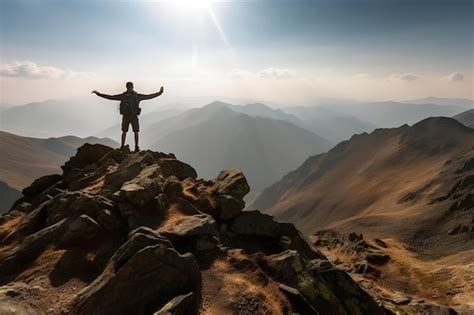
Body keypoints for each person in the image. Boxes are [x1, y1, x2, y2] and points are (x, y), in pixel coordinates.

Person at [92, 82, 164, 152]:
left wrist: (98, 94)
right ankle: (136, 147)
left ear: (126, 87)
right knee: (136, 132)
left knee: (124, 132)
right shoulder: (137, 96)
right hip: (134, 116)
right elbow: (149, 96)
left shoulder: (123, 96)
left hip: (125, 116)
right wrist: (159, 93)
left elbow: (111, 97)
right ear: (132, 87)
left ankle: (122, 146)